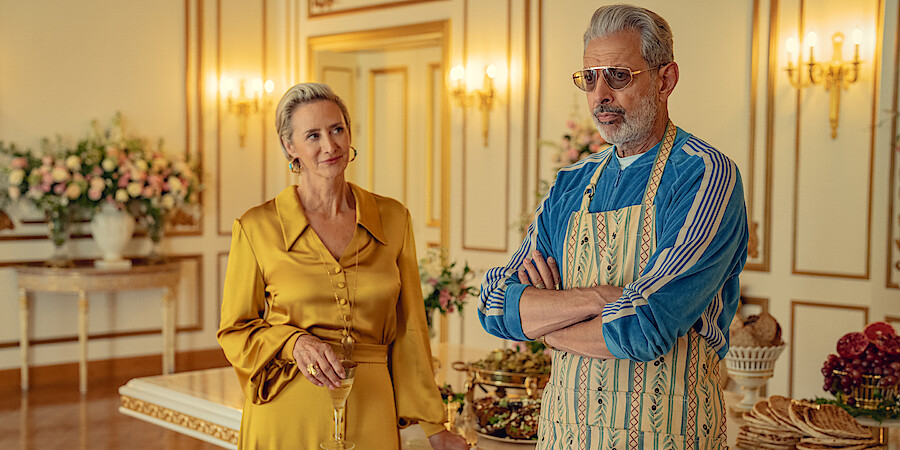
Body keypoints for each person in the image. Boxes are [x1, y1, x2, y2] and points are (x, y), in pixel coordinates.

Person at [479, 5, 748, 449]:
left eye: (618, 76)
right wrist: (600, 298)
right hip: (563, 434)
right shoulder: (571, 183)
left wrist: (546, 324)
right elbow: (494, 305)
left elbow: (644, 325)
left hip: (668, 434)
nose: (599, 94)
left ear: (665, 80)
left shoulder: (704, 175)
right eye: (590, 78)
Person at [218, 82, 467, 449]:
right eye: (313, 135)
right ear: (291, 147)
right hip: (289, 410)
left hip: (373, 408)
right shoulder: (256, 227)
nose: (329, 145)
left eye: (337, 129)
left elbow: (411, 330)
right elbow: (235, 331)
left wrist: (433, 424)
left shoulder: (393, 218)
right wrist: (293, 343)